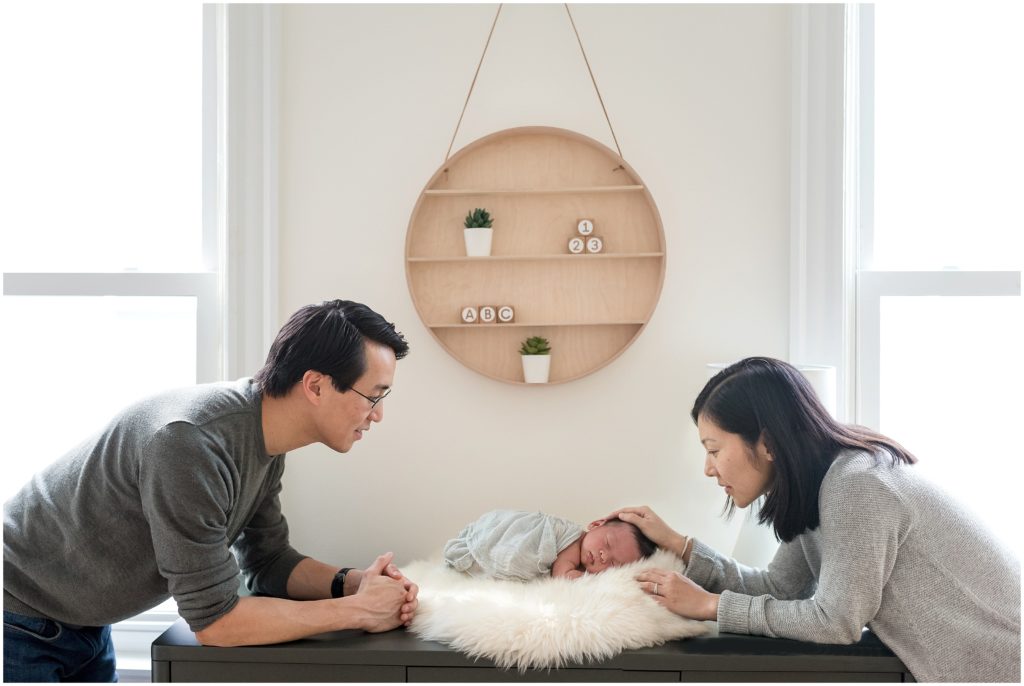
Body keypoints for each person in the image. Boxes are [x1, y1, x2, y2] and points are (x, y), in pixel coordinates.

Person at [4, 299, 420, 682]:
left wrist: (354, 583)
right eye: (373, 396)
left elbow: (268, 562)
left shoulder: (262, 440)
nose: (378, 415)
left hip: (81, 624)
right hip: (17, 618)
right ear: (314, 386)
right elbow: (216, 623)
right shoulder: (190, 443)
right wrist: (356, 611)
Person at [609, 356, 1020, 683]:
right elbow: (779, 588)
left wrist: (712, 605)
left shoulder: (858, 487)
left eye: (714, 450)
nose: (708, 469)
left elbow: (834, 620)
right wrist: (679, 545)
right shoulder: (821, 482)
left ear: (766, 442)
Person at [443, 509, 656, 581]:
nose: (602, 555)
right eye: (608, 543)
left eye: (613, 563)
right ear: (596, 524)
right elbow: (562, 575)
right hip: (505, 530)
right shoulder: (573, 541)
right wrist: (589, 580)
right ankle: (473, 550)